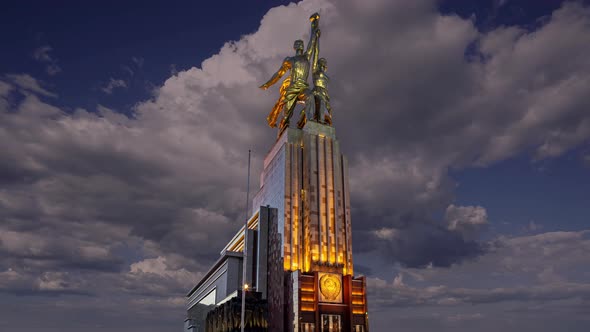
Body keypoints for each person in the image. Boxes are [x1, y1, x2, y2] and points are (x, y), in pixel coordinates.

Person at [260, 14, 320, 132]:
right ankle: (283, 128)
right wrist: (268, 84)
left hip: (303, 87)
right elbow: (279, 74)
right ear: (294, 47)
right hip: (292, 88)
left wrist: (314, 25)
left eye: (302, 43)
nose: (301, 44)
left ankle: (310, 122)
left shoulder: (306, 57)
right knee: (287, 112)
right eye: (298, 43)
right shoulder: (290, 60)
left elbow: (312, 41)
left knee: (310, 97)